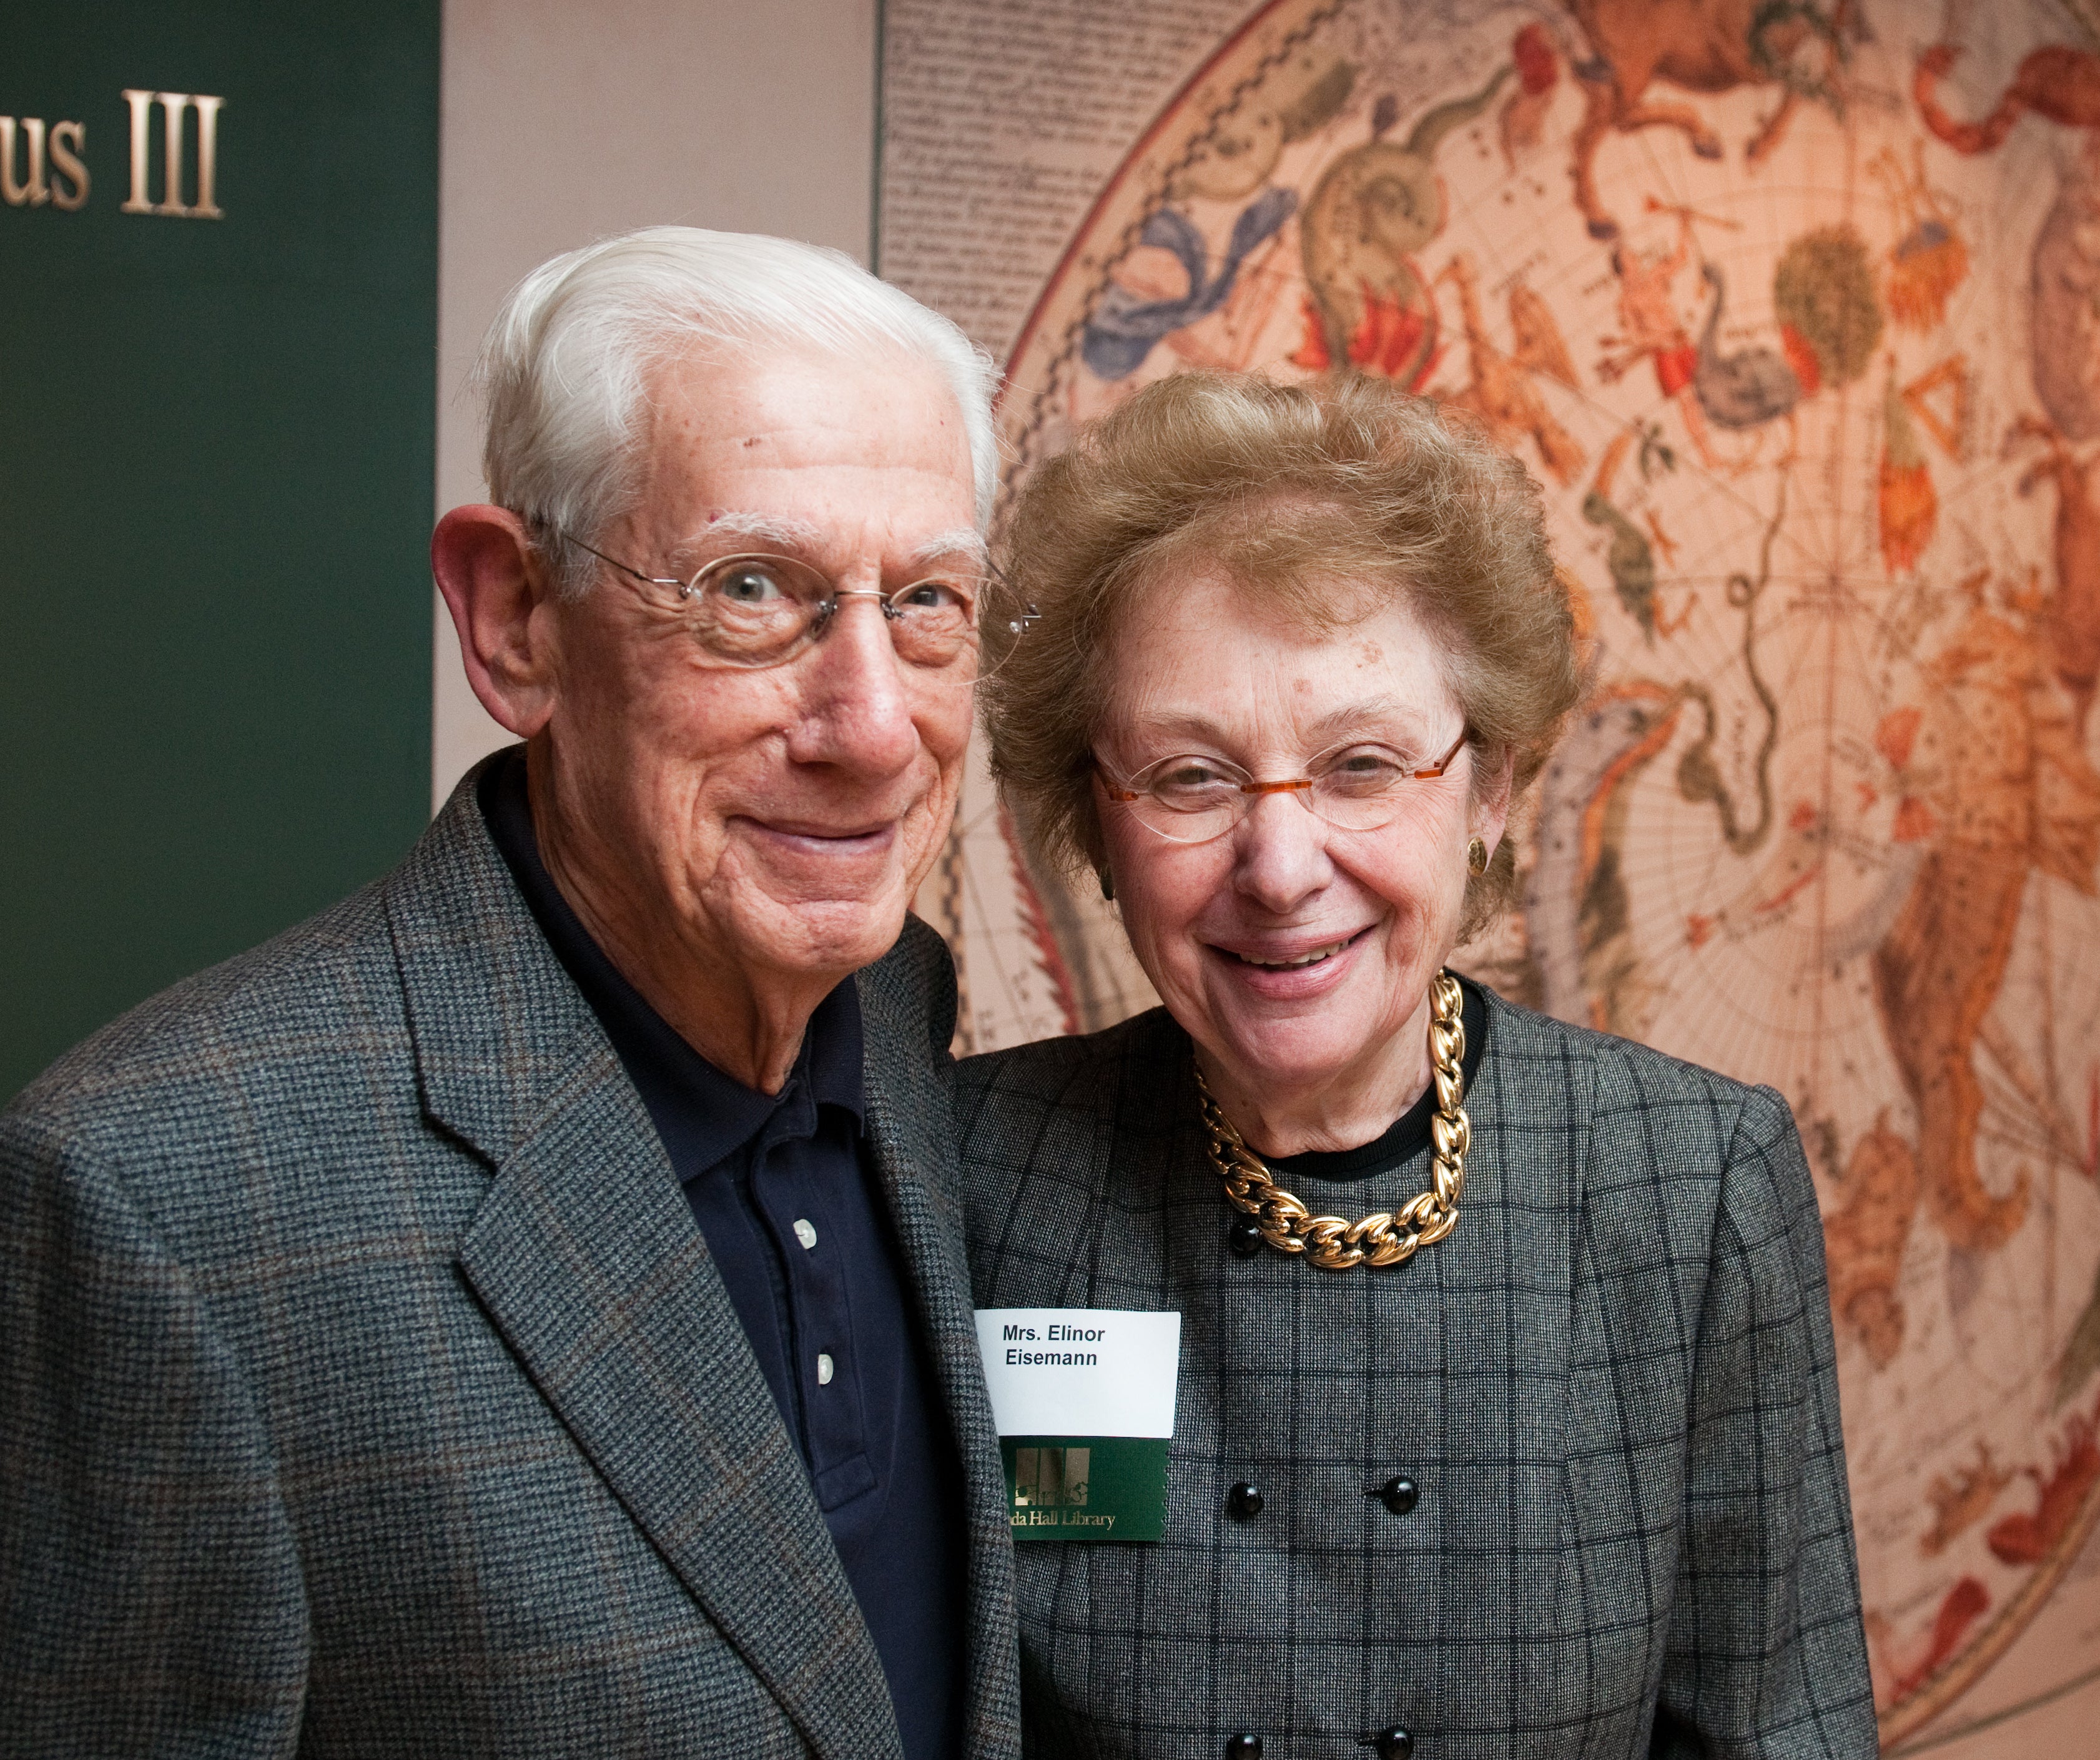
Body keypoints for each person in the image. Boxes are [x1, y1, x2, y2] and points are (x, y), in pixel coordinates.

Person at [1, 228, 1021, 1759]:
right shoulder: (163, 1205)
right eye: (752, 590)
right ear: (513, 619)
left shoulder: (899, 1026)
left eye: (927, 601)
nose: (873, 729)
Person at [960, 371, 1877, 1759]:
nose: (1278, 870)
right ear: (1097, 812)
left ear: (1489, 787)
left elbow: (1777, 1733)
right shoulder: (967, 1176)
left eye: (1361, 765)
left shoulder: (1689, 1188)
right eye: (1192, 777)